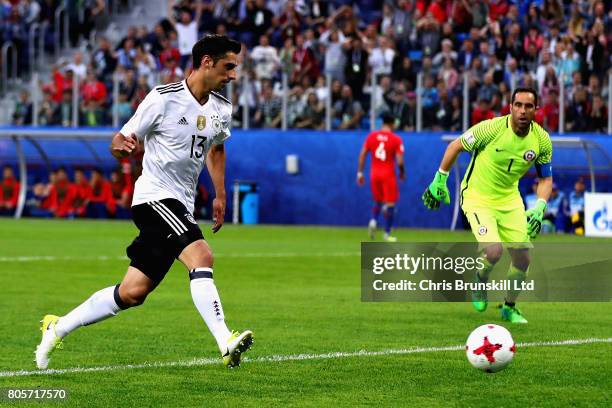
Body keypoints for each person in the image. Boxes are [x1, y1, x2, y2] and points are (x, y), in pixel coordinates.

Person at [36, 35, 253, 370]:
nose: (233, 75)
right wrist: (120, 146)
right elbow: (120, 138)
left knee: (133, 291)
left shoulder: (221, 108)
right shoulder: (163, 99)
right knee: (201, 255)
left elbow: (217, 148)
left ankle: (58, 326)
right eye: (228, 66)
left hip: (180, 203)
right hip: (154, 197)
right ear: (207, 62)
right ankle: (225, 340)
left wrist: (221, 195)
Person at [422, 87, 553, 324]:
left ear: (536, 110)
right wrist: (440, 178)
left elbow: (545, 179)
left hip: (509, 199)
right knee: (494, 251)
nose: (523, 111)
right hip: (477, 196)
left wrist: (540, 206)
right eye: (518, 105)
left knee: (523, 259)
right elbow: (455, 146)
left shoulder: (541, 139)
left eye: (528, 106)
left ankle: (509, 307)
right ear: (510, 107)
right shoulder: (491, 128)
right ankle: (480, 279)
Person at [356, 113, 405, 242]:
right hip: (388, 174)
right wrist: (402, 172)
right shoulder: (396, 139)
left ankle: (373, 220)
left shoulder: (371, 136)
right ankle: (387, 234)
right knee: (390, 204)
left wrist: (360, 173)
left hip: (374, 174)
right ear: (392, 124)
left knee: (378, 200)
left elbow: (362, 155)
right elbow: (400, 161)